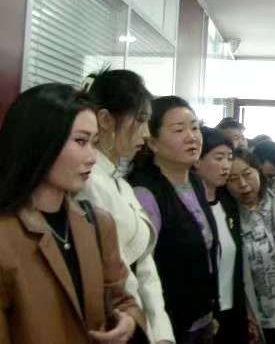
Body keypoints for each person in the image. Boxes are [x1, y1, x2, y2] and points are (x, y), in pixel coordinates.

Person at [0, 83, 145, 343]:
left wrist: (128, 322)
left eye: (94, 142)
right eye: (80, 141)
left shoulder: (97, 223)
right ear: (40, 141)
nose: (92, 156)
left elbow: (121, 299)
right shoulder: (6, 234)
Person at [77, 69, 175, 344]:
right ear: (106, 120)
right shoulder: (89, 183)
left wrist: (161, 333)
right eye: (140, 120)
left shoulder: (118, 182)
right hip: (116, 321)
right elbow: (119, 273)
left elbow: (144, 264)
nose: (146, 133)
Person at [128, 96, 220, 344]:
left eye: (195, 128)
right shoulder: (145, 193)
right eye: (179, 130)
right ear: (153, 142)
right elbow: (140, 270)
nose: (192, 137)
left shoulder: (196, 182)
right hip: (168, 325)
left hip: (202, 317)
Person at [226, 148, 275, 344]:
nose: (243, 184)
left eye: (247, 174)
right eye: (232, 179)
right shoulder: (228, 217)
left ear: (258, 171)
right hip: (257, 316)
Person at [196, 127, 251, 344]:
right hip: (202, 315)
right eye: (218, 158)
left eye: (229, 157)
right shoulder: (188, 207)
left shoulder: (229, 204)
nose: (226, 165)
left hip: (233, 310)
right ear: (197, 160)